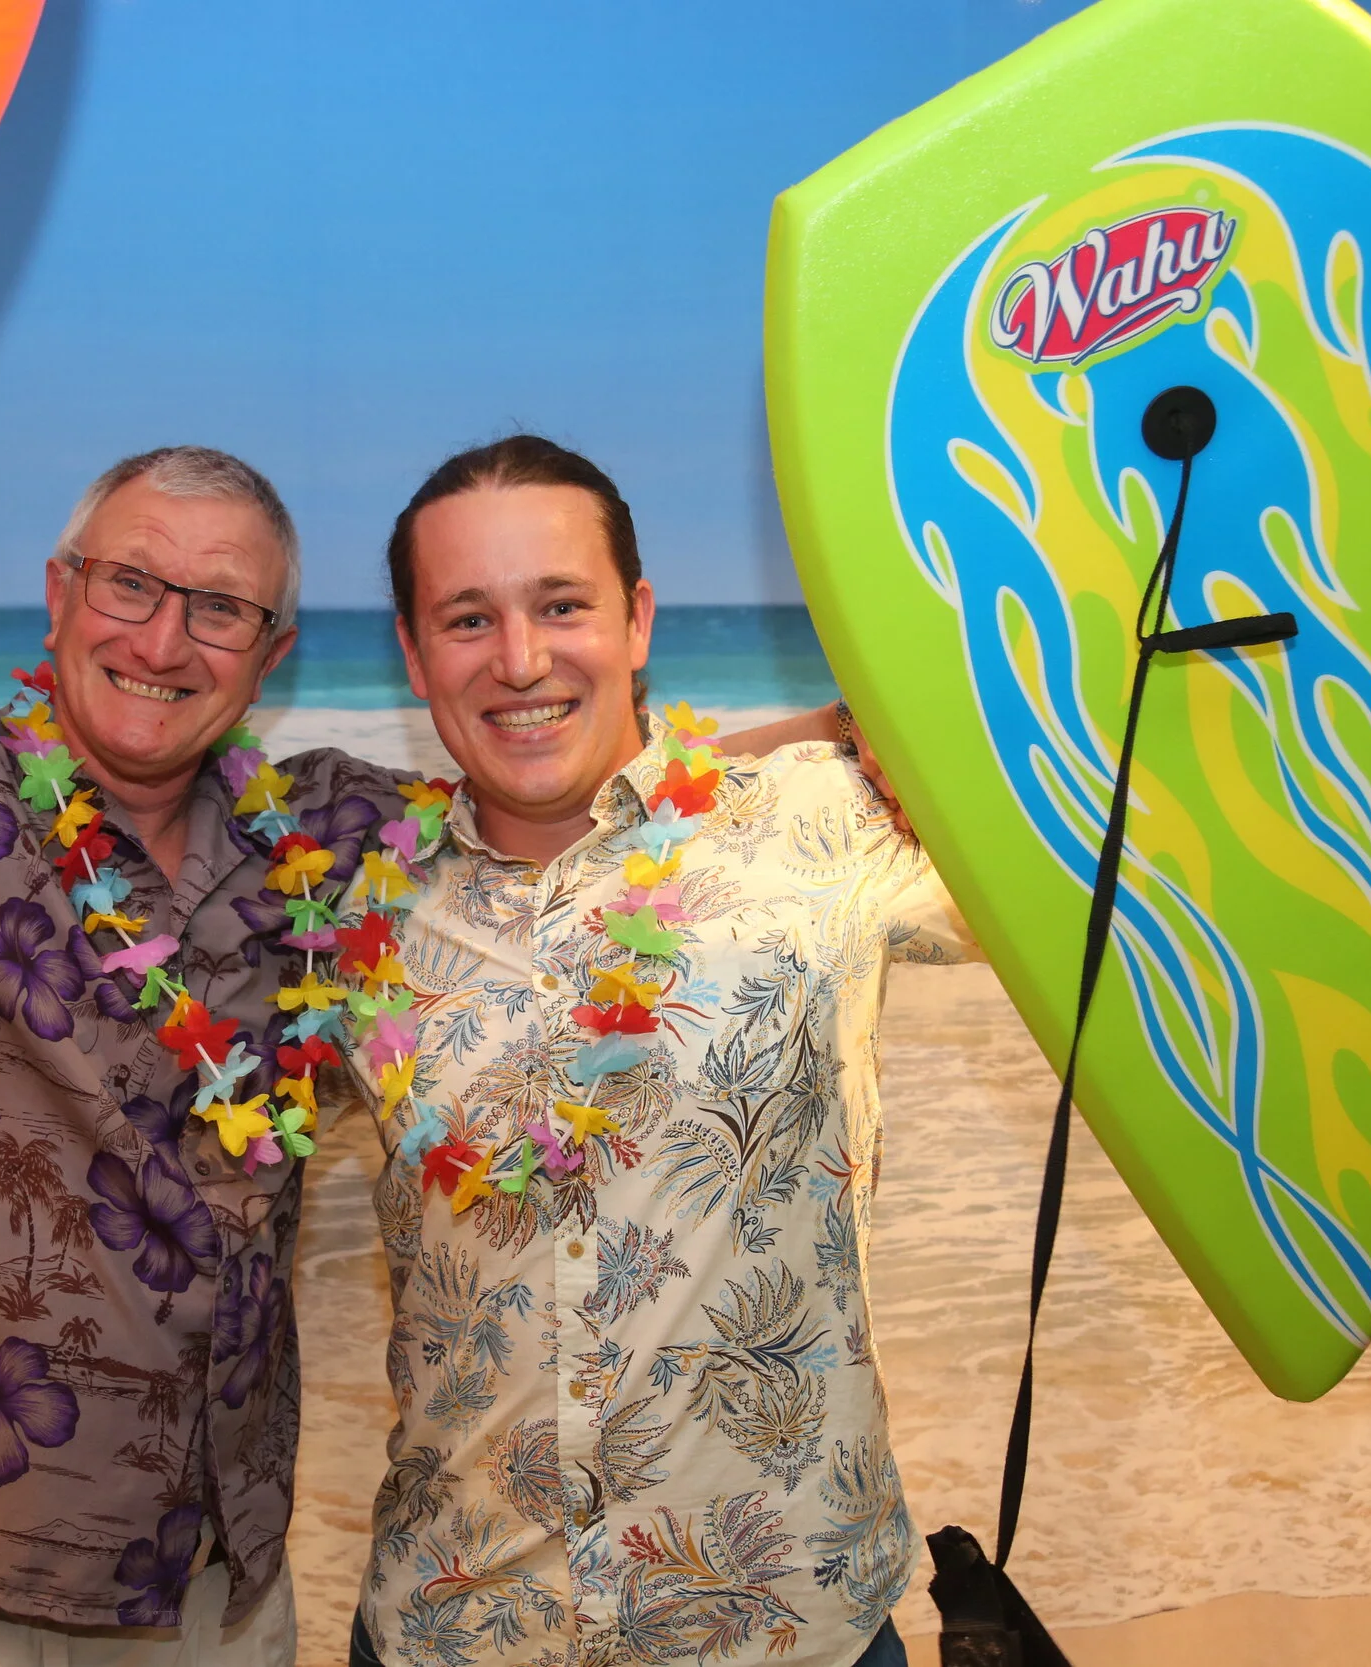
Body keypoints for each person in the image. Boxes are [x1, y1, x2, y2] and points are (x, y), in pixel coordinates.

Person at [0, 445, 848, 1666]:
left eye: (220, 608)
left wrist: (854, 738)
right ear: (59, 592)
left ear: (270, 657)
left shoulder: (324, 839)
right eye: (129, 583)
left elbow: (572, 788)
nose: (163, 641)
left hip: (212, 1585)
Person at [335, 437, 973, 1667]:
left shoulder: (822, 820)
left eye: (560, 605)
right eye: (467, 618)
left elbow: (1108, 870)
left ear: (635, 618)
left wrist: (900, 730)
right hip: (458, 1628)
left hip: (785, 1627)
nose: (520, 659)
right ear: (414, 654)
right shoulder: (355, 911)